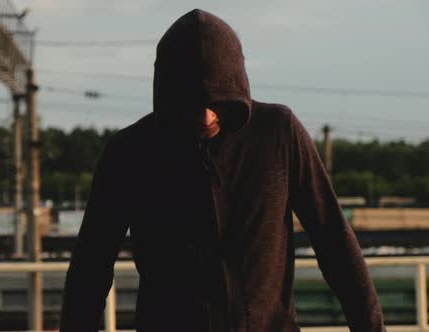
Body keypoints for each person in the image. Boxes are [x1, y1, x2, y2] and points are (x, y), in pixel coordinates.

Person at [60, 8, 387, 332]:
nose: (204, 117)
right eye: (191, 102)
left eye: (216, 100)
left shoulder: (279, 134)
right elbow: (91, 268)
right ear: (168, 95)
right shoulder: (129, 153)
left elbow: (335, 243)